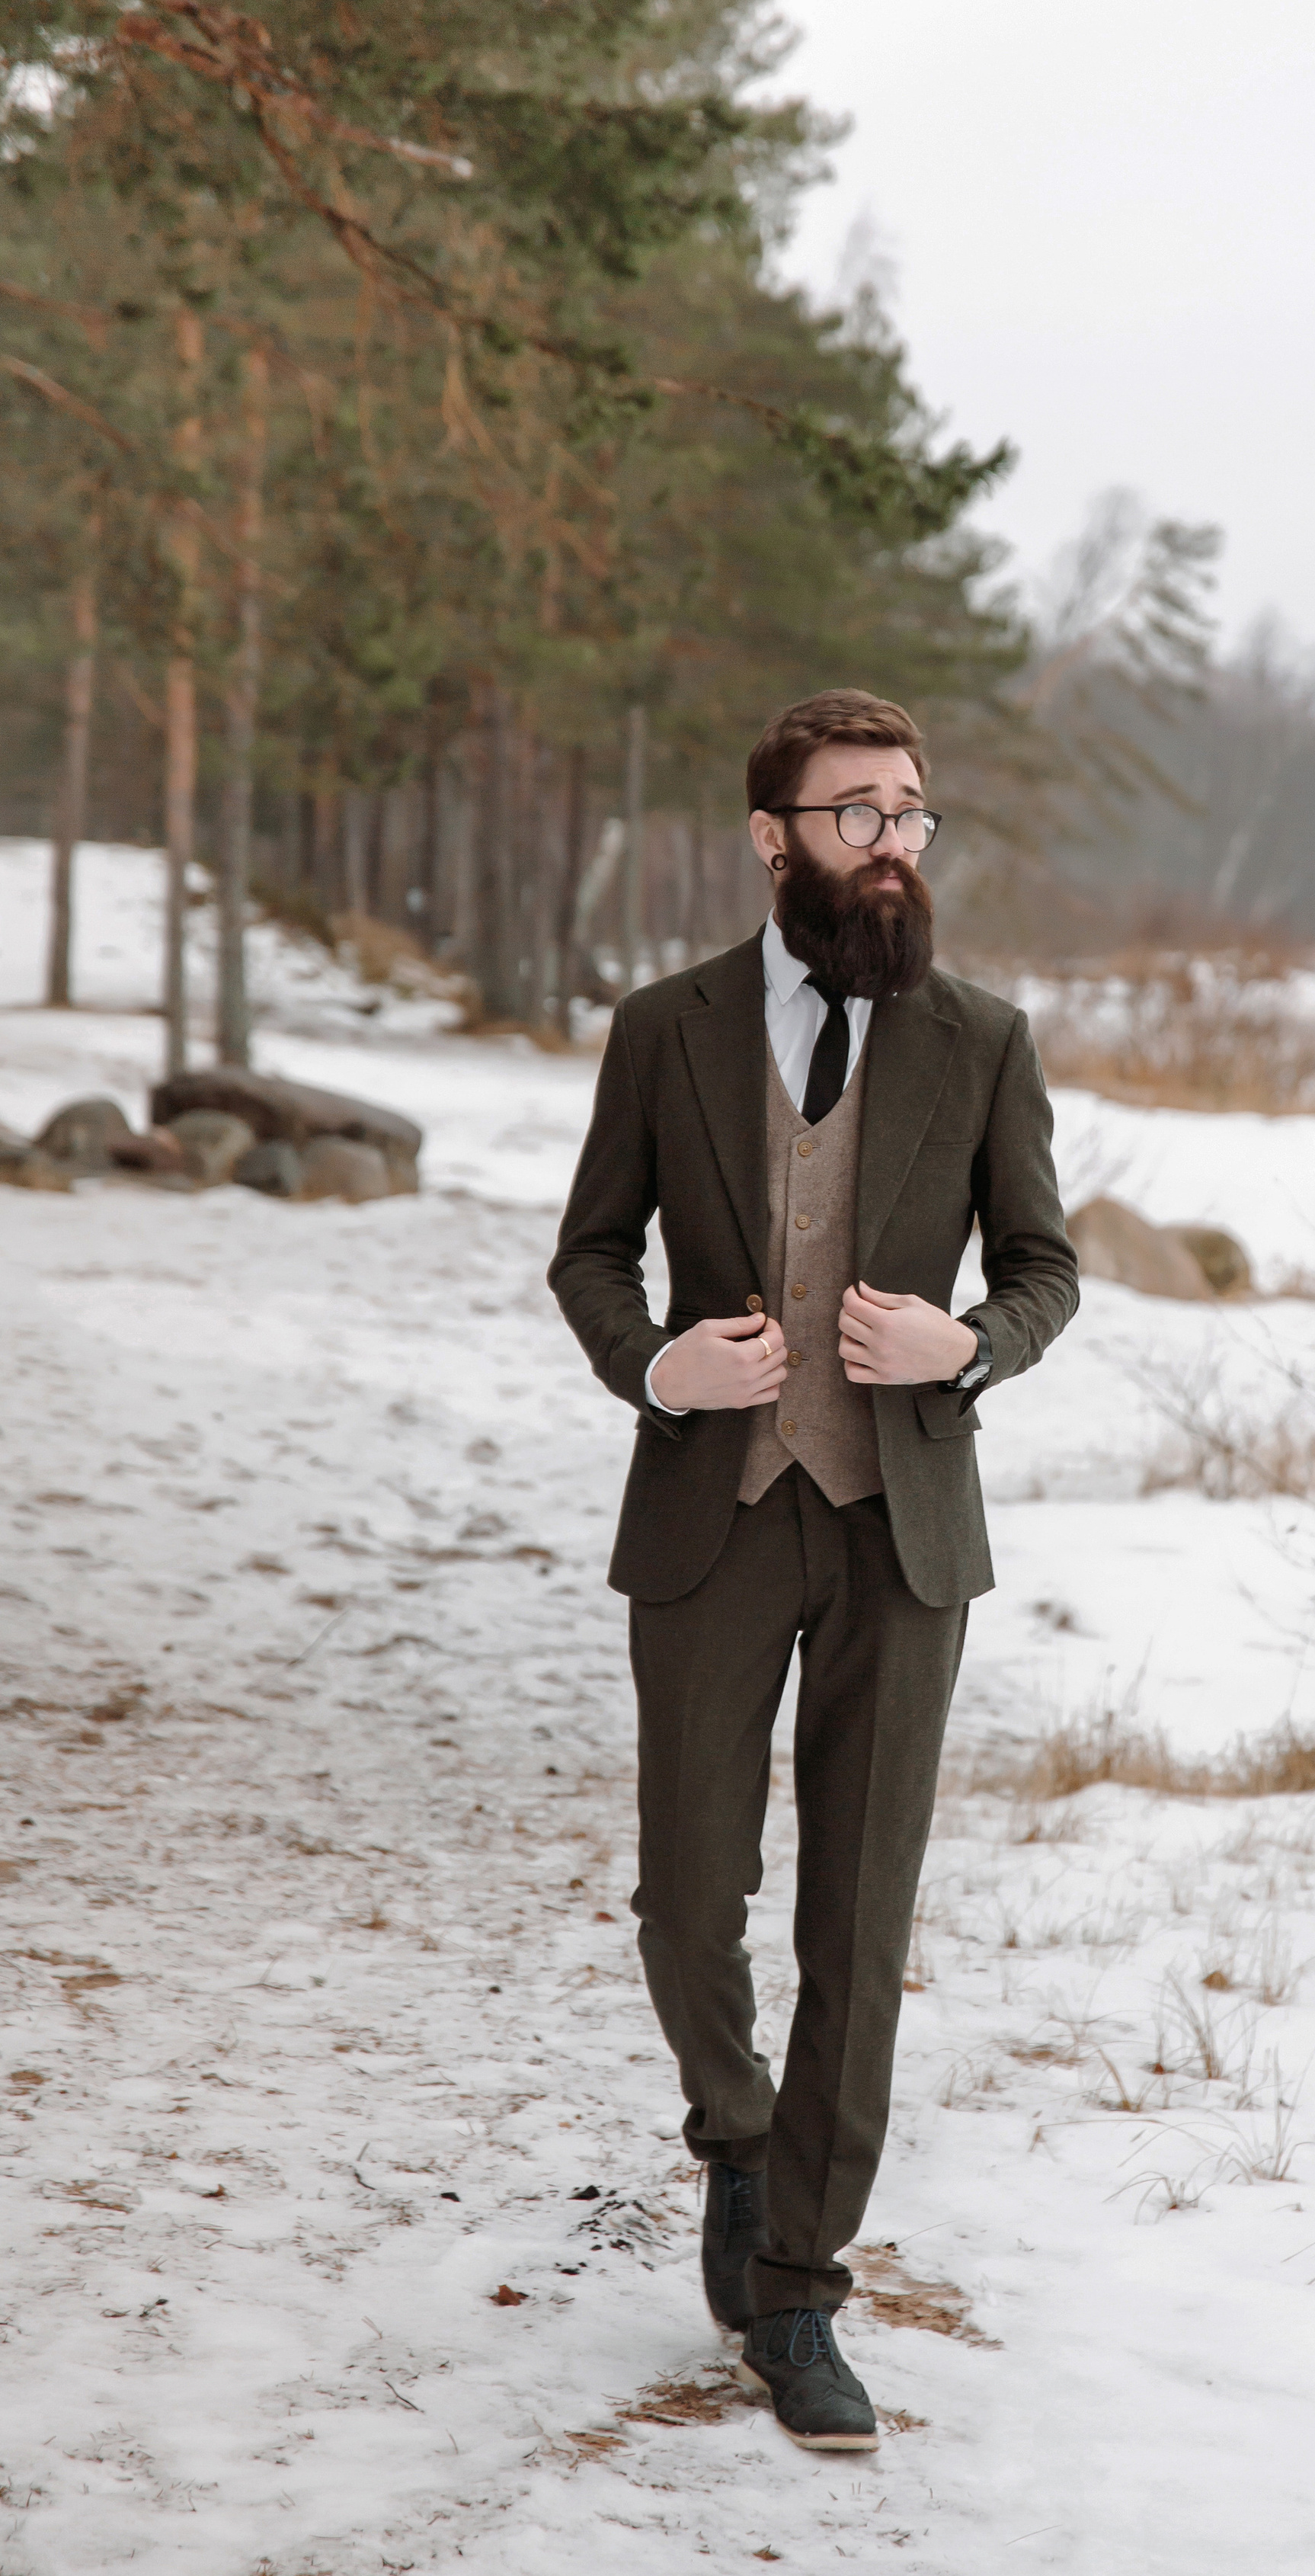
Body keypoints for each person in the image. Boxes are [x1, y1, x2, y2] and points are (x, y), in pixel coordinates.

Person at [549, 688, 1077, 2452]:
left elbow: (1044, 1269)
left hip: (899, 1529)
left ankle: (797, 2291)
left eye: (914, 813)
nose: (895, 844)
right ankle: (734, 2134)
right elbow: (589, 1255)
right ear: (773, 837)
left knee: (859, 1924)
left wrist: (969, 1347)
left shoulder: (983, 1040)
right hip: (711, 1507)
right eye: (859, 813)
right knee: (688, 1898)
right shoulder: (664, 1028)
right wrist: (653, 1366)